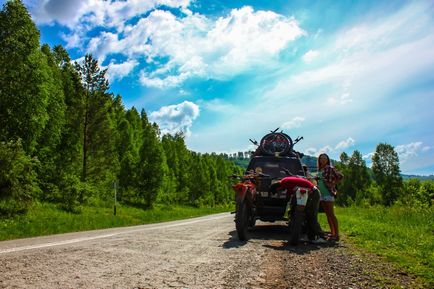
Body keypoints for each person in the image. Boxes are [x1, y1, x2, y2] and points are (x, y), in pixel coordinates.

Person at [269, 176, 326, 243]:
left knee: (312, 216)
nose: (279, 192)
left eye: (277, 191)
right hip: (310, 192)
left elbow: (289, 197)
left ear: (277, 188)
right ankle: (311, 237)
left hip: (313, 193)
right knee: (308, 216)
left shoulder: (285, 183)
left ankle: (322, 237)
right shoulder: (285, 181)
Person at [316, 153, 343, 241]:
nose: (323, 160)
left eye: (325, 158)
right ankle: (332, 233)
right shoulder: (320, 169)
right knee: (327, 215)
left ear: (327, 160)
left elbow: (340, 176)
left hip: (328, 193)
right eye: (321, 158)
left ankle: (337, 235)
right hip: (321, 194)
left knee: (331, 214)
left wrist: (332, 184)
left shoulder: (329, 168)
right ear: (319, 160)